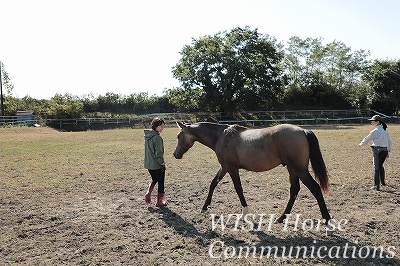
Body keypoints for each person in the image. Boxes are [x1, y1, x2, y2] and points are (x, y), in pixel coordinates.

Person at [359, 115, 392, 191]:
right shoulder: (385, 130)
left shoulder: (375, 131)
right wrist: (388, 150)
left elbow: (367, 139)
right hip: (384, 150)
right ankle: (383, 182)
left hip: (377, 150)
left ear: (377, 122)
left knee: (376, 168)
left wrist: (361, 144)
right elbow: (389, 142)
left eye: (373, 121)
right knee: (380, 166)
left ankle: (376, 185)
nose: (371, 122)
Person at [144, 117, 167, 206]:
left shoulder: (148, 136)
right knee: (161, 182)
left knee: (154, 179)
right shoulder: (157, 138)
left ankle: (148, 192)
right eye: (161, 126)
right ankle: (159, 201)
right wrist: (162, 164)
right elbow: (159, 153)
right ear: (156, 126)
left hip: (148, 163)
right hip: (157, 164)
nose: (163, 128)